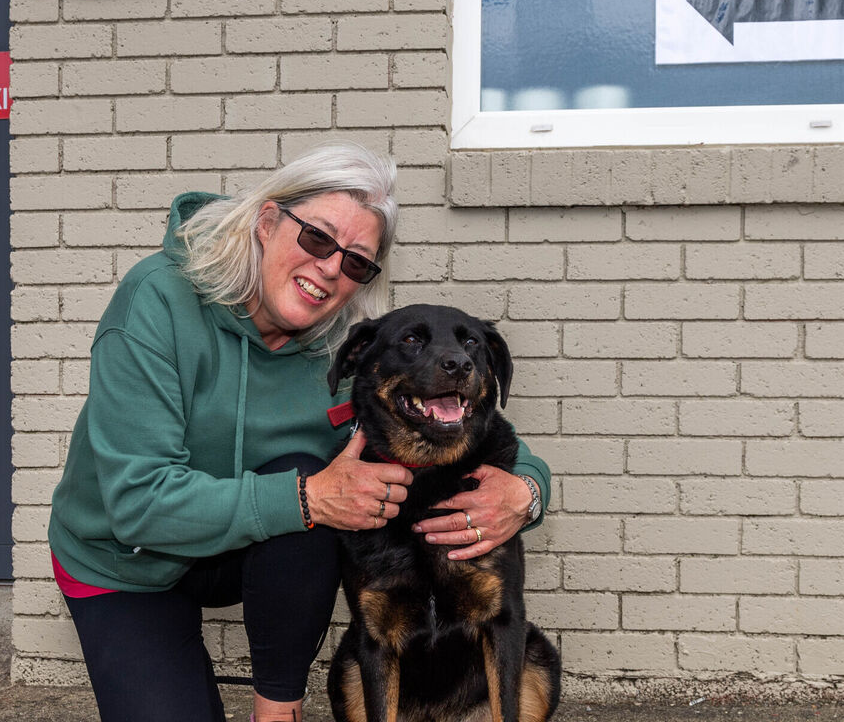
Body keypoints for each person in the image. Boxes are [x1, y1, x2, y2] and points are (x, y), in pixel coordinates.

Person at [47, 142, 552, 722]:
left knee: (315, 491)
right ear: (267, 222)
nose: (331, 269)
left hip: (245, 548)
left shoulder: (349, 351)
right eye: (317, 238)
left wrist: (526, 493)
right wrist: (306, 497)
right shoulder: (155, 302)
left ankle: (277, 711)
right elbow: (137, 503)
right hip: (126, 561)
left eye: (356, 262)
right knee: (313, 492)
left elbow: (485, 435)